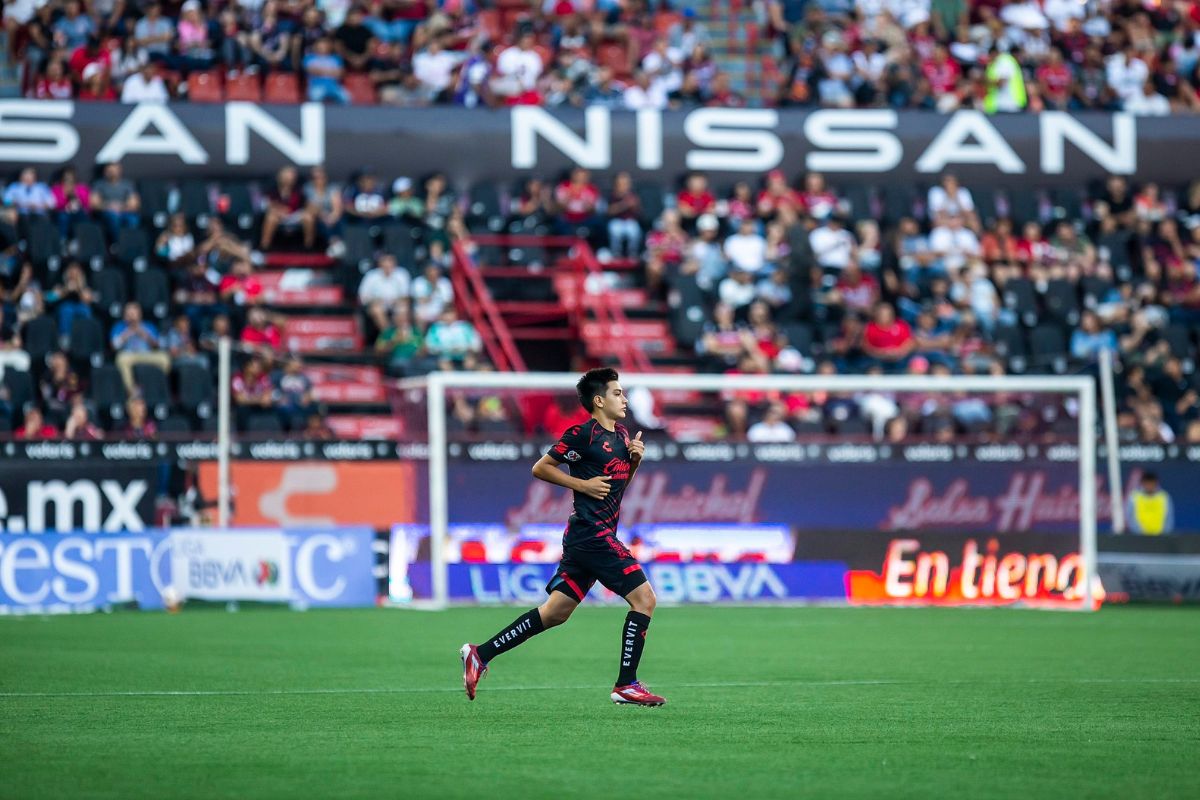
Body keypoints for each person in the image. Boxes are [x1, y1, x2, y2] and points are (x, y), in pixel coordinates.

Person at [460, 368, 664, 707]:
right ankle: (627, 684)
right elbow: (541, 467)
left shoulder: (623, 435)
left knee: (555, 613)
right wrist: (581, 485)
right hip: (592, 534)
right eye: (617, 393)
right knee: (645, 600)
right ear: (599, 400)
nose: (624, 398)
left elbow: (614, 492)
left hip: (590, 535)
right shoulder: (582, 434)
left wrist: (635, 463)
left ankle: (480, 654)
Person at [110, 301, 171, 391]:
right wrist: (128, 333)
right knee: (121, 358)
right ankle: (131, 390)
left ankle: (155, 385)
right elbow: (114, 346)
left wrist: (145, 335)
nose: (131, 316)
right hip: (129, 354)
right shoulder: (119, 326)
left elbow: (157, 345)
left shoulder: (149, 325)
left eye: (133, 313)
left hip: (146, 354)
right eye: (129, 314)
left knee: (164, 358)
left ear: (139, 314)